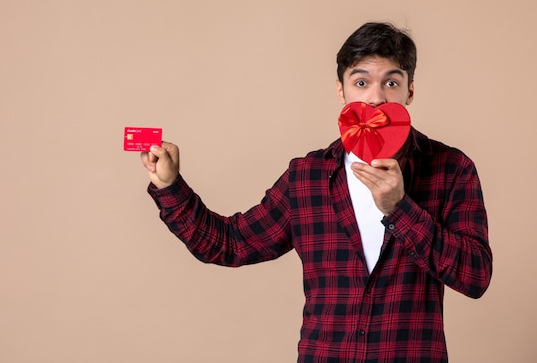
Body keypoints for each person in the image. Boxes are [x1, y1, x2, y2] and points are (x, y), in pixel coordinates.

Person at [140, 22, 492, 363]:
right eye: (361, 82)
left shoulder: (451, 169)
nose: (375, 97)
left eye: (391, 82)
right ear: (341, 91)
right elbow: (231, 243)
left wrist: (400, 209)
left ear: (409, 91)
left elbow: (475, 277)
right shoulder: (306, 178)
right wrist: (170, 186)